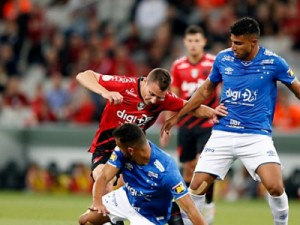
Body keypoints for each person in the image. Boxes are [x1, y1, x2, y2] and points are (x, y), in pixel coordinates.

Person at [161, 17, 300, 225]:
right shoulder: (223, 58)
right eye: (231, 41)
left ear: (253, 42)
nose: (232, 47)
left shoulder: (274, 62)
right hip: (223, 133)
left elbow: (297, 90)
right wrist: (177, 116)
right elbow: (205, 90)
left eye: (238, 43)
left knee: (275, 186)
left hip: (256, 136)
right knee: (197, 186)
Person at [76, 68, 226, 225]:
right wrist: (104, 92)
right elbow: (83, 75)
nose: (154, 100)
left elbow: (191, 107)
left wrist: (213, 113)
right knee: (104, 182)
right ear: (146, 80)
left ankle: (166, 212)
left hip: (133, 152)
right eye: (152, 94)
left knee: (135, 191)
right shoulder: (123, 85)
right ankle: (112, 217)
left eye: (159, 97)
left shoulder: (164, 100)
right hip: (106, 147)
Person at [79, 123, 208, 225]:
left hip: (150, 212)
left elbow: (191, 210)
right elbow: (103, 177)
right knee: (85, 221)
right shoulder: (121, 151)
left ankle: (171, 210)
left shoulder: (167, 169)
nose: (116, 147)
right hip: (127, 197)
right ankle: (115, 220)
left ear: (130, 150)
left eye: (118, 145)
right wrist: (97, 202)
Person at [168, 25, 219, 224]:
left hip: (208, 123)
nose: (194, 44)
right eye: (190, 41)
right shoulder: (178, 66)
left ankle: (209, 204)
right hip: (186, 124)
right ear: (185, 43)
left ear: (204, 42)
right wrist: (170, 122)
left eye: (197, 40)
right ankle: (192, 208)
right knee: (188, 168)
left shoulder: (214, 62)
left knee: (203, 164)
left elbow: (224, 86)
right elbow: (174, 96)